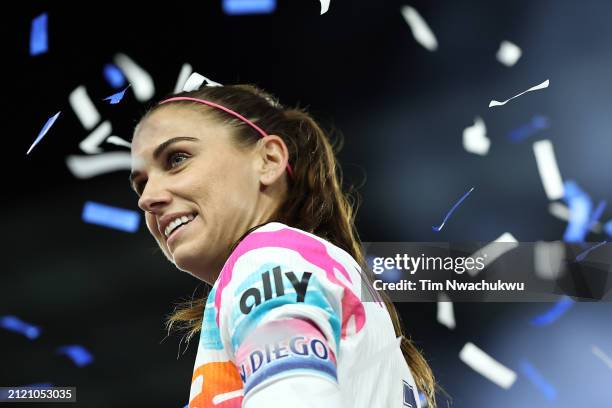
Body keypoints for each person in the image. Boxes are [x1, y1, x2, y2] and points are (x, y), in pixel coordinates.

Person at [129, 82, 436, 407]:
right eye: (141, 184)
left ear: (269, 160)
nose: (148, 199)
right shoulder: (302, 264)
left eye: (177, 159)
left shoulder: (267, 261)